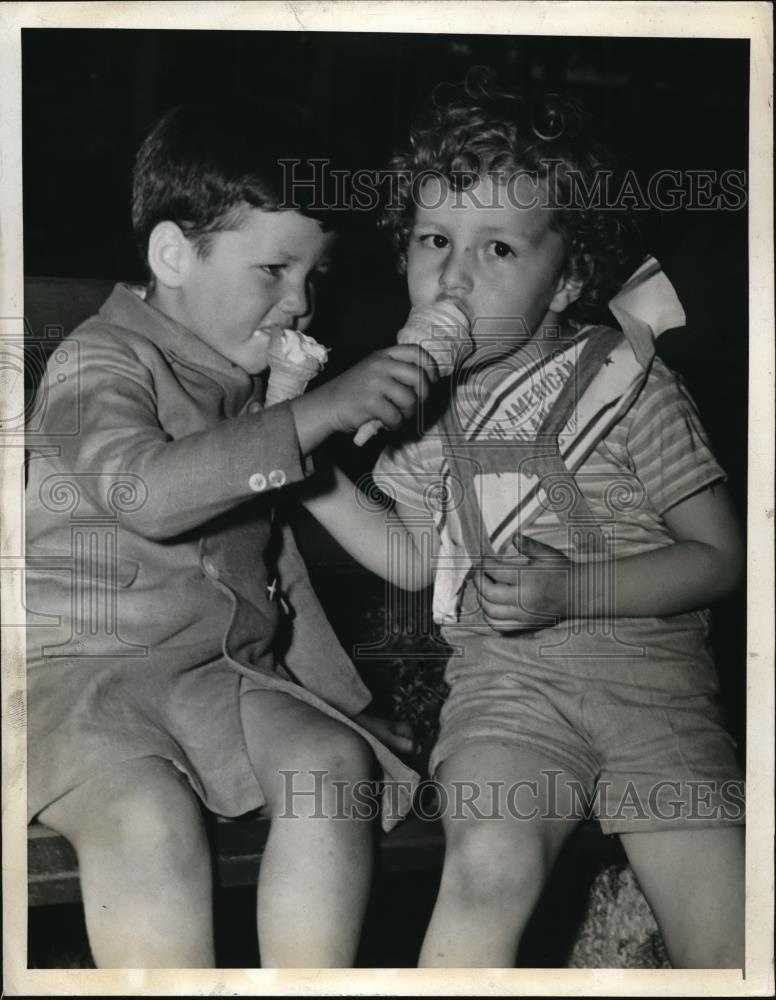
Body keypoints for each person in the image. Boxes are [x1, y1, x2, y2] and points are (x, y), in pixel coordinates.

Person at [299, 71, 746, 968]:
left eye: (498, 248)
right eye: (433, 239)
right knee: (483, 871)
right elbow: (418, 561)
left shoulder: (634, 386)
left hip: (657, 699)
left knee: (729, 927)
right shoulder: (421, 410)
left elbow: (722, 559)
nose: (453, 274)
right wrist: (308, 479)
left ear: (568, 276)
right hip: (508, 699)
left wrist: (571, 589)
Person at [25, 100, 435, 969]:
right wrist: (314, 413)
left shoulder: (246, 390)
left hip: (220, 677)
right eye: (273, 271)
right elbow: (142, 491)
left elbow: (274, 568)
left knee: (333, 769)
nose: (300, 302)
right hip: (81, 677)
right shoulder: (98, 361)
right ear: (173, 254)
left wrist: (343, 705)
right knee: (148, 821)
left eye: (312, 276)